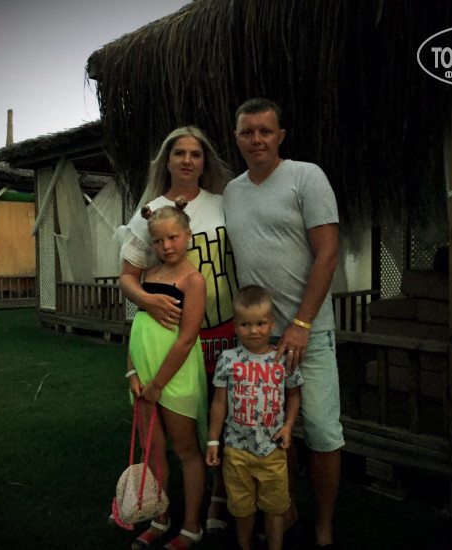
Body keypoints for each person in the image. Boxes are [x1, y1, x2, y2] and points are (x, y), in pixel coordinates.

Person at [223, 98, 344, 548]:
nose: (256, 139)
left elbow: (328, 252)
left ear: (280, 136)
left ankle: (324, 522)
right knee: (275, 429)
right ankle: (286, 507)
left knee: (323, 431)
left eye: (265, 131)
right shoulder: (232, 192)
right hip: (260, 337)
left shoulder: (306, 177)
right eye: (247, 132)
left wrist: (302, 324)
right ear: (237, 138)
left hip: (309, 332)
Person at [116, 126, 238, 535]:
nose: (187, 160)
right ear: (166, 160)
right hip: (168, 336)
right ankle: (163, 510)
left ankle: (217, 500)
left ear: (205, 162)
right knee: (170, 433)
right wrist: (148, 300)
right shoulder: (150, 212)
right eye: (179, 153)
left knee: (220, 418)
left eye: (196, 154)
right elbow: (129, 274)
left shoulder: (224, 203)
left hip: (222, 325)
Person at [126, 199, 206, 550]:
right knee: (152, 449)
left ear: (188, 235)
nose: (166, 246)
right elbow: (139, 327)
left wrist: (159, 384)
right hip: (143, 377)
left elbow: (187, 338)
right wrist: (132, 370)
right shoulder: (147, 276)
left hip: (174, 377)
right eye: (158, 241)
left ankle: (191, 526)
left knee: (186, 449)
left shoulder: (193, 280)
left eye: (173, 237)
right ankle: (160, 518)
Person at [206, 285, 303, 550]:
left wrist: (288, 426)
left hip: (273, 449)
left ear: (272, 324)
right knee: (242, 508)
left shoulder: (282, 359)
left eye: (260, 323)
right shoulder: (228, 359)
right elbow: (219, 402)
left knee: (275, 508)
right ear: (235, 326)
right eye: (245, 324)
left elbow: (294, 395)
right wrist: (213, 441)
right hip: (236, 451)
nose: (253, 330)